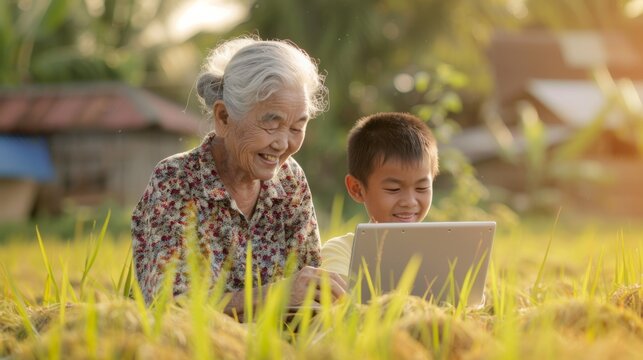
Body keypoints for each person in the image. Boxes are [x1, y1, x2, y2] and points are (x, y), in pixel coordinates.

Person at [132, 36, 347, 313]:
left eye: (296, 128)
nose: (283, 144)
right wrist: (277, 294)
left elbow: (310, 288)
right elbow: (172, 305)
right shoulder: (176, 180)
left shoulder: (290, 179)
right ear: (223, 118)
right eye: (272, 124)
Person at [321, 112, 439, 278]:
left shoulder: (441, 252)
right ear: (357, 189)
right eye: (393, 189)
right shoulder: (342, 252)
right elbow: (337, 298)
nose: (409, 202)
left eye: (422, 188)